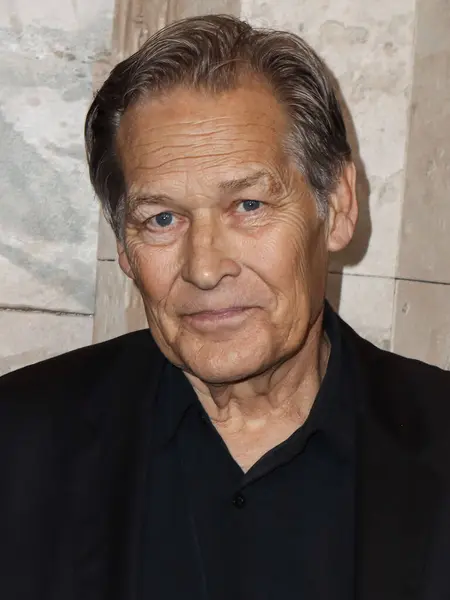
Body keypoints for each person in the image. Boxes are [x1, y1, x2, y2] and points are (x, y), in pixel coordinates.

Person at [0, 14, 449, 600]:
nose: (205, 268)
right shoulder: (16, 444)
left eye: (249, 205)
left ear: (337, 207)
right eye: (162, 218)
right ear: (125, 250)